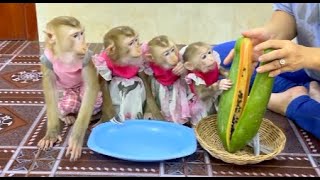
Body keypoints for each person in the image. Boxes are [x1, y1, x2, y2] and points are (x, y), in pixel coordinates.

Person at [220, 3, 320, 139]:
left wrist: (308, 57)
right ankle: (304, 91)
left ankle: (292, 103)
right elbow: (288, 13)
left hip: (306, 60)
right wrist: (271, 35)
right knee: (219, 58)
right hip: (308, 68)